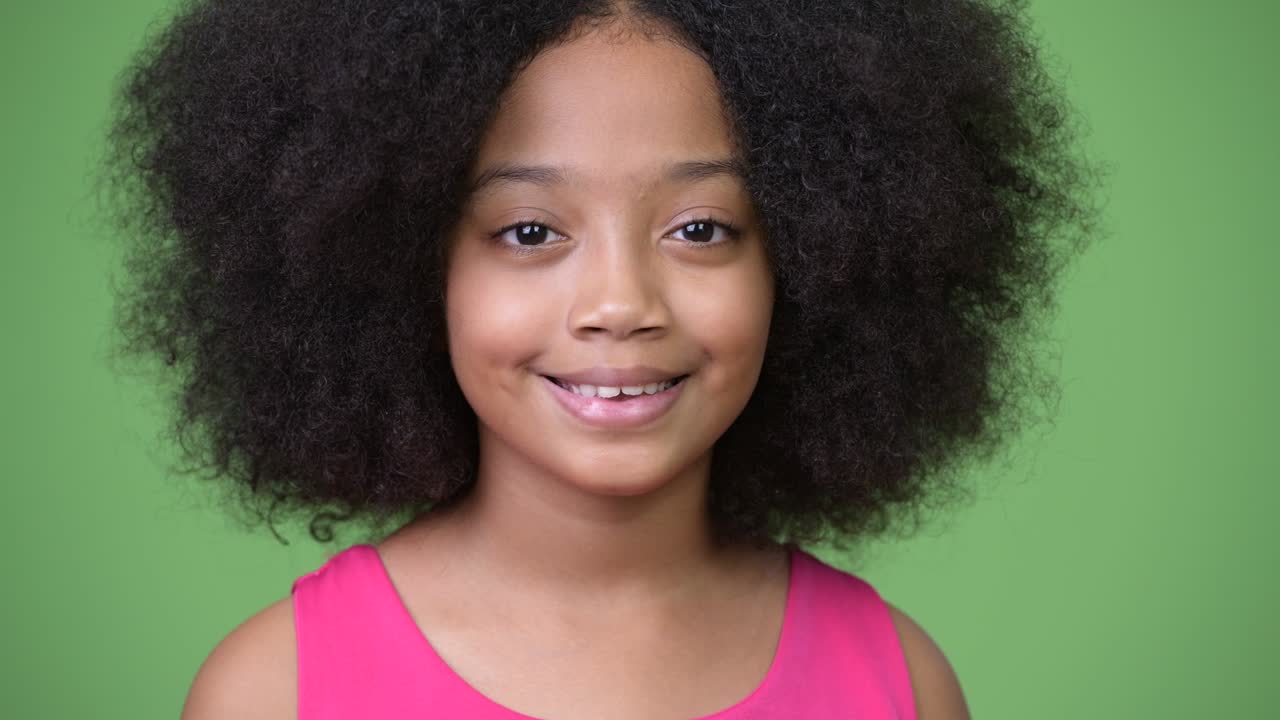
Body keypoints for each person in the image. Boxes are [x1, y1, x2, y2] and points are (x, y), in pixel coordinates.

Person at [101, 0, 1095, 717]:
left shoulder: (899, 684)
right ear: (402, 268)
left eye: (700, 229)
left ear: (807, 260)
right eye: (530, 232)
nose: (620, 304)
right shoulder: (275, 693)